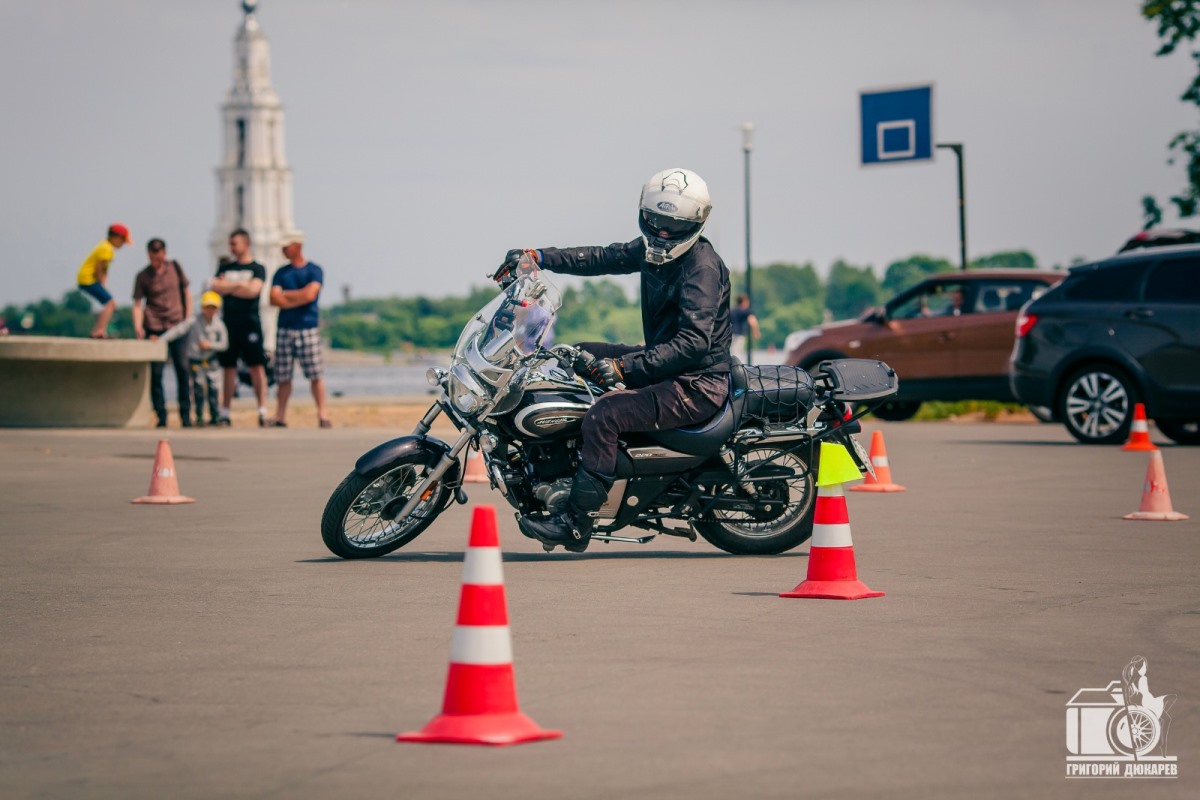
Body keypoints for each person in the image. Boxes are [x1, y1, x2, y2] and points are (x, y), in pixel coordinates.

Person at [494, 167, 731, 552]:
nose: (663, 234)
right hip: (666, 364)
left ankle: (576, 522)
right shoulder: (650, 251)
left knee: (607, 413)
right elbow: (600, 257)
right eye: (656, 222)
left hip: (695, 383)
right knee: (577, 353)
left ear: (697, 223)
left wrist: (624, 369)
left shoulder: (700, 268)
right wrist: (538, 256)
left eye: (674, 226)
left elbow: (694, 344)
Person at [268, 231, 330, 428]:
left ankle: (322, 414)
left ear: (298, 245)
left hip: (307, 327)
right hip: (285, 328)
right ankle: (280, 416)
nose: (283, 249)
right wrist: (299, 296)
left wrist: (286, 297)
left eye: (287, 246)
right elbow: (273, 299)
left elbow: (310, 295)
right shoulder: (280, 272)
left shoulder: (314, 270)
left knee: (315, 373)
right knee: (283, 375)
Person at [211, 229, 269, 427]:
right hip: (228, 324)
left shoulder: (258, 268)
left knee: (256, 365)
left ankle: (262, 410)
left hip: (250, 322)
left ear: (246, 243)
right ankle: (225, 411)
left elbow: (254, 291)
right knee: (228, 367)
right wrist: (241, 285)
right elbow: (215, 287)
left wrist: (230, 286)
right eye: (230, 244)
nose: (231, 247)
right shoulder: (224, 267)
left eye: (234, 243)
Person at [132, 239, 193, 428]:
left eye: (158, 258)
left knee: (182, 369)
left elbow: (186, 291)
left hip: (177, 324)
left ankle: (185, 415)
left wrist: (188, 317)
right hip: (155, 327)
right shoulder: (143, 276)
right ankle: (161, 415)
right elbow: (137, 303)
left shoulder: (175, 268)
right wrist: (138, 327)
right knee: (156, 373)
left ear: (164, 253)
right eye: (151, 258)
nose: (155, 262)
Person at [76, 223, 132, 339]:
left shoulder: (104, 246)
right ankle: (99, 331)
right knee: (111, 304)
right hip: (88, 280)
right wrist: (100, 282)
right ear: (115, 238)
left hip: (85, 279)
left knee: (109, 303)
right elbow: (100, 267)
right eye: (122, 241)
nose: (123, 245)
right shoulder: (106, 249)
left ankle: (98, 330)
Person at [186, 292, 229, 427]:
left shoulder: (219, 324)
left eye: (213, 307)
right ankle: (199, 416)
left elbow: (224, 344)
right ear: (202, 307)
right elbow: (178, 330)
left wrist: (210, 345)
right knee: (198, 387)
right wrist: (161, 340)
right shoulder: (194, 321)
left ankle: (215, 416)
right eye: (207, 307)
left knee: (214, 388)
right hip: (196, 360)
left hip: (212, 360)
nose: (210, 310)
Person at [730, 293, 760, 362]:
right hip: (738, 335)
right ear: (744, 301)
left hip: (729, 334)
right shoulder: (746, 311)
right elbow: (752, 321)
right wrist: (756, 332)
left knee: (732, 352)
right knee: (737, 354)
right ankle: (737, 369)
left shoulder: (731, 311)